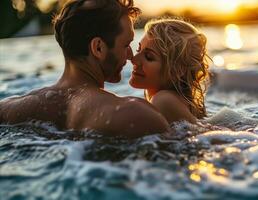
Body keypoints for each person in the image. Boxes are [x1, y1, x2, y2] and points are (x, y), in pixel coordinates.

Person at [0, 0, 169, 138]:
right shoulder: (136, 115)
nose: (131, 55)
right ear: (98, 48)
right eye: (126, 44)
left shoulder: (9, 109)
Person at [129, 18, 210, 124]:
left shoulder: (163, 100)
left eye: (149, 57)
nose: (134, 60)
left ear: (177, 70)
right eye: (138, 50)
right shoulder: (178, 101)